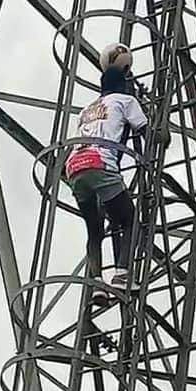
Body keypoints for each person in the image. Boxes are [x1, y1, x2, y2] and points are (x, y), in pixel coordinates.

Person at [66, 65, 148, 305]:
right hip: (100, 164)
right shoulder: (126, 100)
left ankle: (96, 284)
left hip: (75, 166)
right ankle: (122, 274)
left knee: (94, 231)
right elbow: (150, 134)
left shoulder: (87, 109)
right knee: (130, 220)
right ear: (123, 85)